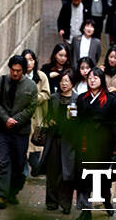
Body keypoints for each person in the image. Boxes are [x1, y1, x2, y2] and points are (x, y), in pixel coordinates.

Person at [0, 55, 38, 210]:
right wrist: (6, 119)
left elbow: (31, 107)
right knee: (1, 161)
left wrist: (16, 120)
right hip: (3, 130)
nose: (15, 73)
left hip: (21, 131)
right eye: (13, 70)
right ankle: (0, 195)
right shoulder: (1, 82)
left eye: (18, 71)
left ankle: (12, 191)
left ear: (23, 70)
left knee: (18, 164)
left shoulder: (30, 86)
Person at [76, 68, 116, 211]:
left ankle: (106, 200)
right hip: (86, 144)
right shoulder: (82, 98)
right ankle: (84, 206)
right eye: (90, 77)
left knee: (104, 178)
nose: (92, 80)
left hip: (104, 146)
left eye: (96, 77)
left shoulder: (111, 100)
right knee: (84, 176)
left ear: (102, 80)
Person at [41, 70, 78, 214]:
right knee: (52, 171)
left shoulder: (77, 99)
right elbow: (47, 115)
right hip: (54, 139)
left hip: (69, 140)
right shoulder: (53, 98)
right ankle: (51, 201)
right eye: (62, 81)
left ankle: (66, 203)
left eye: (67, 81)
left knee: (67, 172)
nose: (64, 84)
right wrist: (50, 121)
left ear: (72, 83)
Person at [23, 49, 51, 176]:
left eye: (31, 59)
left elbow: (46, 94)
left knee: (35, 149)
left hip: (38, 117)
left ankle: (35, 169)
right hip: (23, 119)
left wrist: (33, 98)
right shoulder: (19, 76)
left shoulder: (41, 76)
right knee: (22, 147)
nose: (28, 63)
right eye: (26, 59)